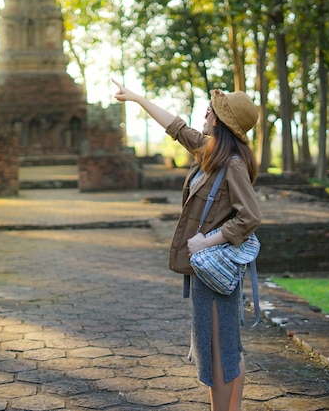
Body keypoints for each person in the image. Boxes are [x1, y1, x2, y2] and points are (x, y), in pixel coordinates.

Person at [112, 78, 261, 411]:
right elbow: (175, 126)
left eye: (214, 110)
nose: (207, 111)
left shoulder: (233, 163)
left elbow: (249, 217)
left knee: (218, 352)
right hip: (206, 272)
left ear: (222, 123)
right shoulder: (210, 152)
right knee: (224, 348)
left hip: (215, 271)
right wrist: (137, 98)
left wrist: (208, 239)